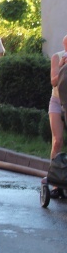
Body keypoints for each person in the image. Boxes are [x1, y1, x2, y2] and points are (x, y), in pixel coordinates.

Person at [48, 34, 67, 199]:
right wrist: (61, 67)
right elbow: (53, 81)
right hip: (57, 101)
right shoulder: (57, 57)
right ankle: (55, 181)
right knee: (58, 140)